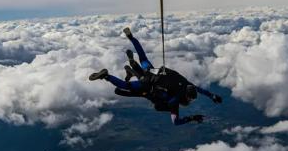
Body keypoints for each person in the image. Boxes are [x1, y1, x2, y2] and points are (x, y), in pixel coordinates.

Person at [89, 27, 223, 125]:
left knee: (142, 57)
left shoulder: (187, 83)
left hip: (154, 71)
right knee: (125, 86)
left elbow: (200, 90)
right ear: (187, 98)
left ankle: (131, 38)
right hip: (147, 83)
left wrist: (212, 96)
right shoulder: (175, 102)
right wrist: (192, 118)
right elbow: (175, 121)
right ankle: (107, 76)